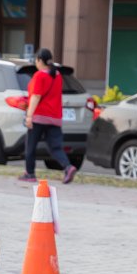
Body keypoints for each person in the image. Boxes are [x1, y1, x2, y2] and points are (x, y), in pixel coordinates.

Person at [19, 48, 78, 185]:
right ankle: (68, 167)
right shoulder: (57, 75)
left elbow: (36, 96)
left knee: (31, 146)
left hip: (39, 117)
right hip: (54, 117)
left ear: (40, 60)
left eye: (36, 60)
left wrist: (29, 116)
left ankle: (30, 173)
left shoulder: (39, 76)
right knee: (55, 147)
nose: (36, 62)